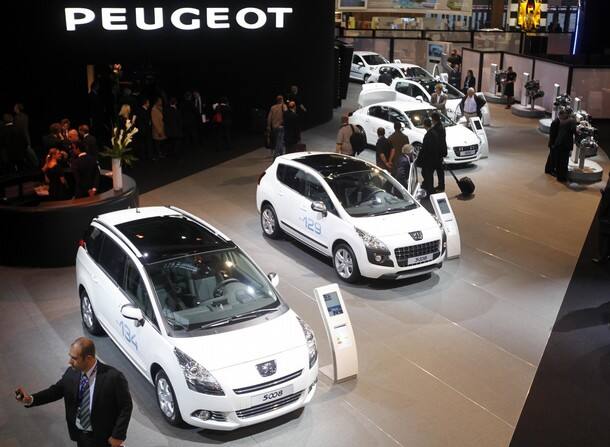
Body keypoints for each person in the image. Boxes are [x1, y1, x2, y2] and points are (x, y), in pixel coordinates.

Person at [15, 337, 132, 447]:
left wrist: (117, 436)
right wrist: (31, 399)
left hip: (104, 438)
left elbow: (126, 407)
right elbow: (55, 391)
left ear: (89, 358)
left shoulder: (113, 377)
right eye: (70, 357)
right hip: (79, 434)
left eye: (74, 358)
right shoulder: (71, 373)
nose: (69, 362)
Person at [548, 108, 576, 182]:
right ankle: (557, 174)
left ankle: (551, 171)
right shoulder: (559, 122)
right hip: (557, 144)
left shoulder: (562, 122)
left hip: (557, 144)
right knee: (558, 160)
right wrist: (552, 144)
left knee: (555, 159)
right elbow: (552, 135)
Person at [593, 172, 610, 264]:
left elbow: (605, 205)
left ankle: (601, 257)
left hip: (607, 218)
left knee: (603, 238)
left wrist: (600, 215)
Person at [430, 111, 447, 192]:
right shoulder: (442, 127)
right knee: (440, 171)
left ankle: (439, 186)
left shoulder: (436, 128)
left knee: (434, 170)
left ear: (434, 119)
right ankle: (441, 186)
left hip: (437, 153)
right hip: (440, 152)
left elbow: (436, 142)